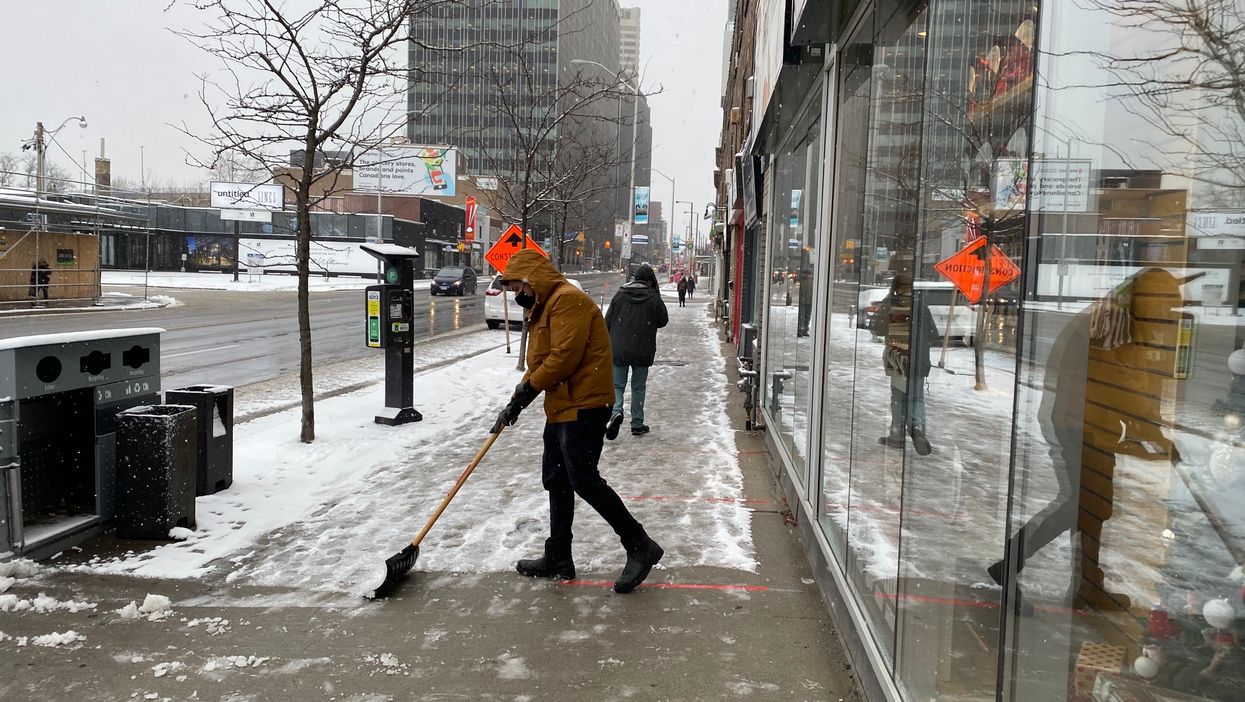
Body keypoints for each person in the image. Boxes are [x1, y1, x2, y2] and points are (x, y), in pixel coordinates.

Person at [988, 268, 1184, 614]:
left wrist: (1150, 431)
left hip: (1088, 421)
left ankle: (1087, 585)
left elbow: (1132, 382)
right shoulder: (1112, 324)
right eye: (1166, 304)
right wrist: (1151, 433)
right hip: (1079, 423)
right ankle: (1016, 564)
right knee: (1081, 504)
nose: (1171, 313)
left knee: (1092, 507)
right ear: (1145, 298)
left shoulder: (1116, 318)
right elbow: (1122, 383)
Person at [491, 249, 664, 594]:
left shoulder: (567, 301)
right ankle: (558, 556)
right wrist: (517, 400)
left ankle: (640, 545)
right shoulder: (543, 307)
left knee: (583, 479)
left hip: (585, 405)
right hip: (562, 404)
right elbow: (539, 361)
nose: (516, 296)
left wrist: (528, 390)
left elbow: (563, 359)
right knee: (556, 478)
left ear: (531, 280)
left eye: (516, 288)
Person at [605, 264, 668, 439]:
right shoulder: (653, 298)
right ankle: (637, 423)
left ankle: (616, 412)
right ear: (650, 281)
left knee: (617, 385)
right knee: (638, 387)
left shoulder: (620, 295)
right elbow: (663, 320)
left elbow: (607, 321)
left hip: (619, 349)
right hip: (643, 348)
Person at [876, 272, 935, 455]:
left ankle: (897, 434)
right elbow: (933, 334)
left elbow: (877, 327)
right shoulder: (921, 307)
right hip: (919, 359)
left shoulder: (890, 305)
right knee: (917, 397)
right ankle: (917, 428)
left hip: (898, 359)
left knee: (898, 396)